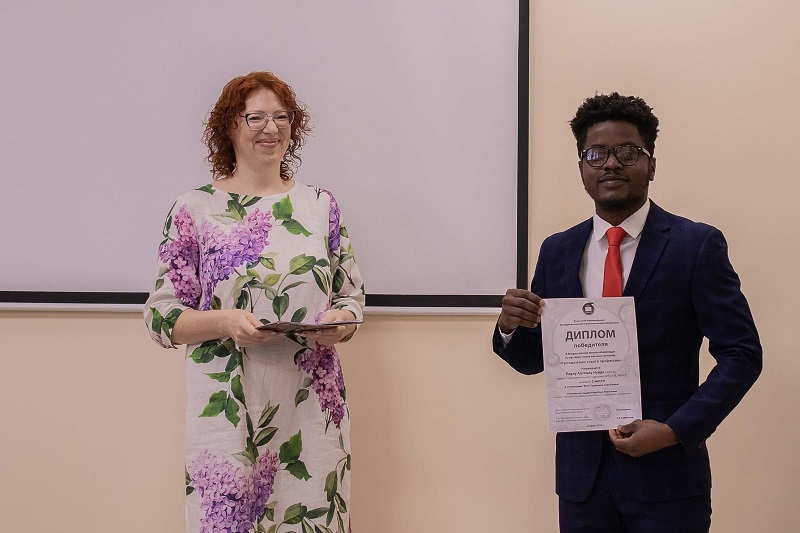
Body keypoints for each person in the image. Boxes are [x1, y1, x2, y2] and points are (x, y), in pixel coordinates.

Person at [492, 92, 761, 532]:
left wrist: (675, 430)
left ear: (651, 165)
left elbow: (742, 354)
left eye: (627, 152)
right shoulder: (558, 250)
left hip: (668, 478)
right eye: (596, 154)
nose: (611, 164)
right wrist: (509, 327)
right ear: (582, 167)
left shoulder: (696, 246)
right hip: (582, 483)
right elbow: (532, 359)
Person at [145, 71, 364, 533]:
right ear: (229, 126)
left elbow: (350, 296)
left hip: (310, 406)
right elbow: (162, 316)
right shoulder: (194, 208)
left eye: (282, 117)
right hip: (228, 405)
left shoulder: (320, 206)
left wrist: (340, 323)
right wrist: (225, 322)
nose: (271, 128)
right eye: (256, 117)